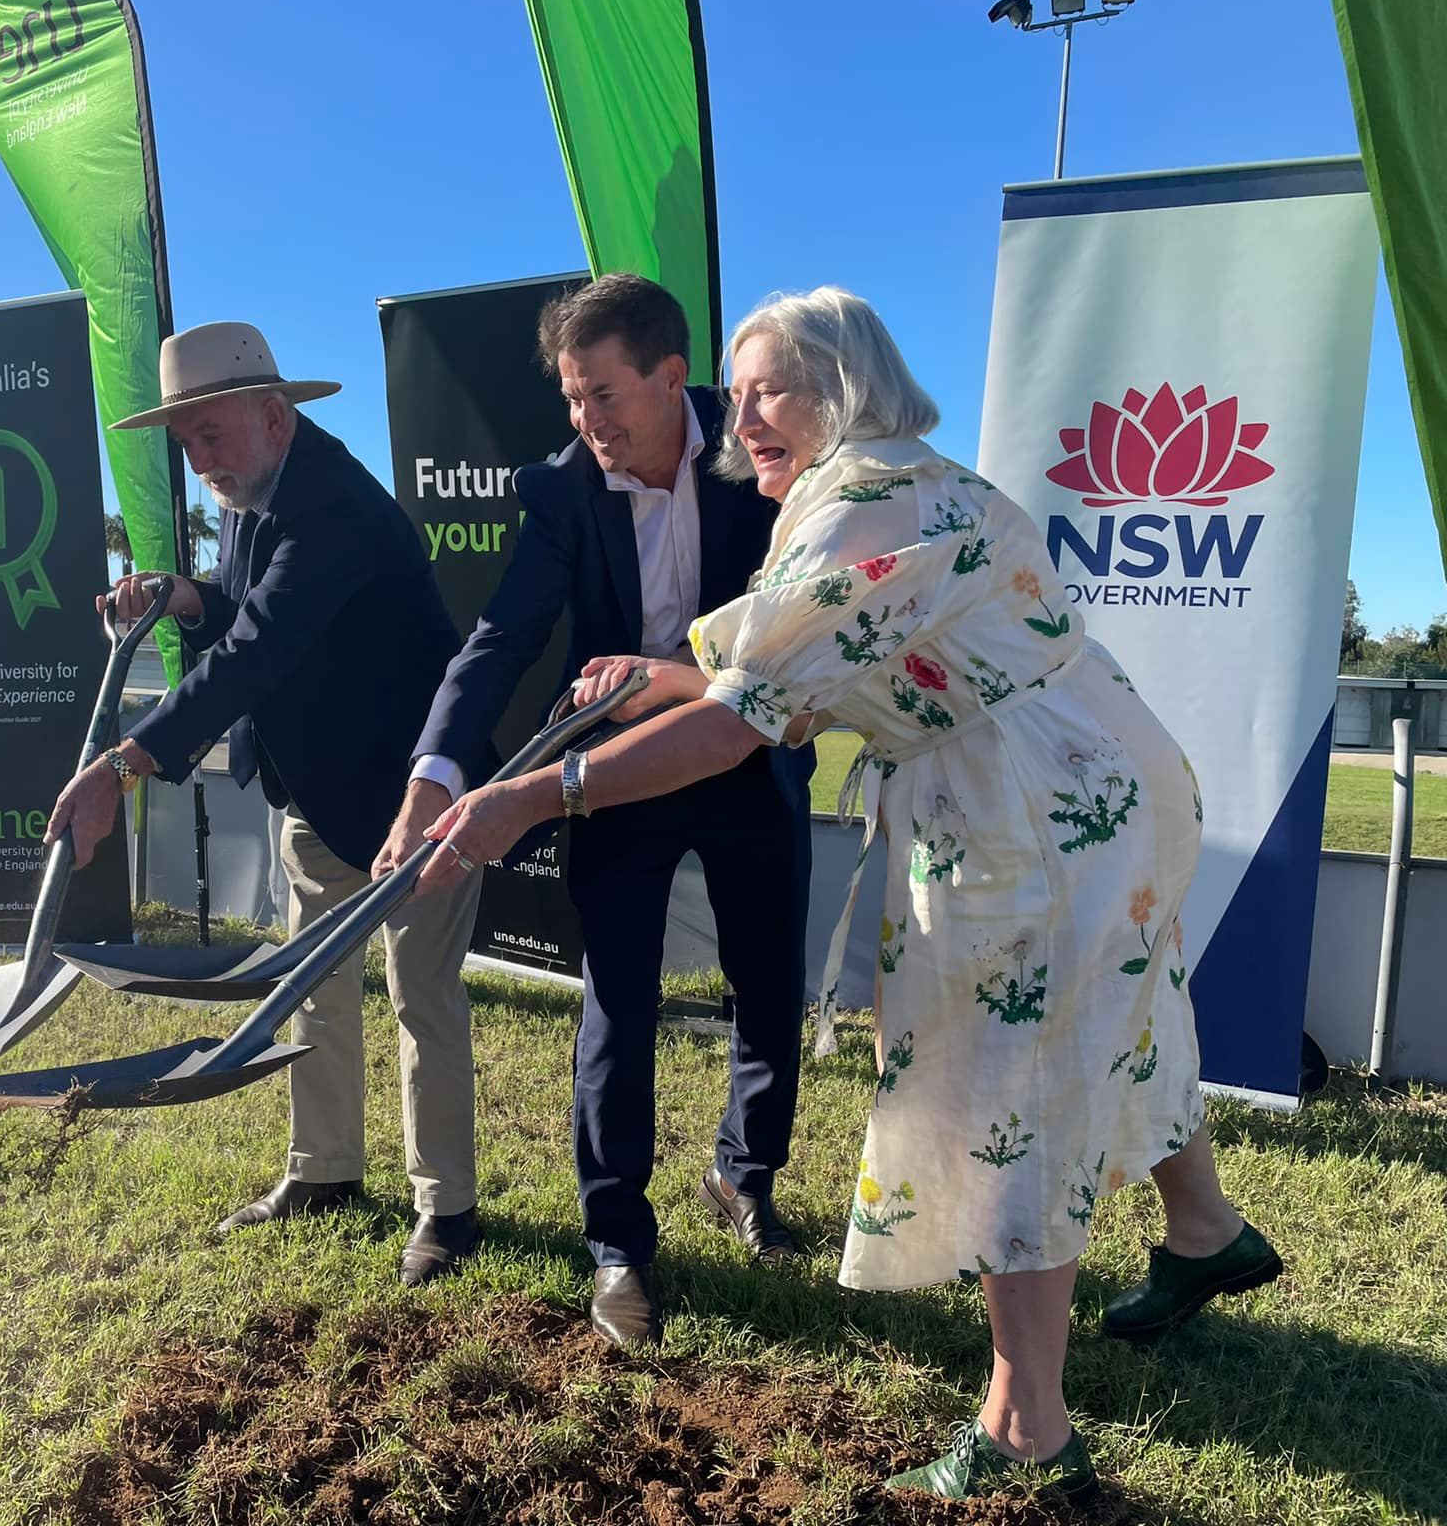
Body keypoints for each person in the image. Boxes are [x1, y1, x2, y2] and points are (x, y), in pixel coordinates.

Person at [414, 286, 1280, 1500]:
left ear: (839, 386)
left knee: (1006, 1087)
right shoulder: (883, 481)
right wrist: (666, 674)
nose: (739, 422)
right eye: (737, 394)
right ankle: (1203, 1232)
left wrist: (535, 794)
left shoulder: (858, 501)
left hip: (1028, 809)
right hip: (1091, 775)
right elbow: (804, 652)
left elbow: (740, 726)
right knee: (1117, 1013)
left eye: (765, 392)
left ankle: (1022, 1430)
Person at [376, 275, 817, 1349]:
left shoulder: (764, 454)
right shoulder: (565, 489)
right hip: (620, 771)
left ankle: (744, 1175)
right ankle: (617, 1243)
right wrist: (435, 774)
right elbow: (499, 641)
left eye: (603, 395)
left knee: (767, 985)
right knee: (617, 1000)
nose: (586, 422)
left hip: (749, 752)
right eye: (571, 399)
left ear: (672, 377)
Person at [44, 321, 486, 1286]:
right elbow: (242, 607)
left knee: (422, 998)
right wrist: (187, 597)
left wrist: (121, 766)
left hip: (414, 794)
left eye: (212, 432)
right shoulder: (254, 489)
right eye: (186, 440)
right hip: (313, 791)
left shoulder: (332, 505)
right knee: (309, 989)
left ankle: (445, 1207)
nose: (199, 458)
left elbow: (257, 653)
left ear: (275, 416)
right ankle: (322, 1173)